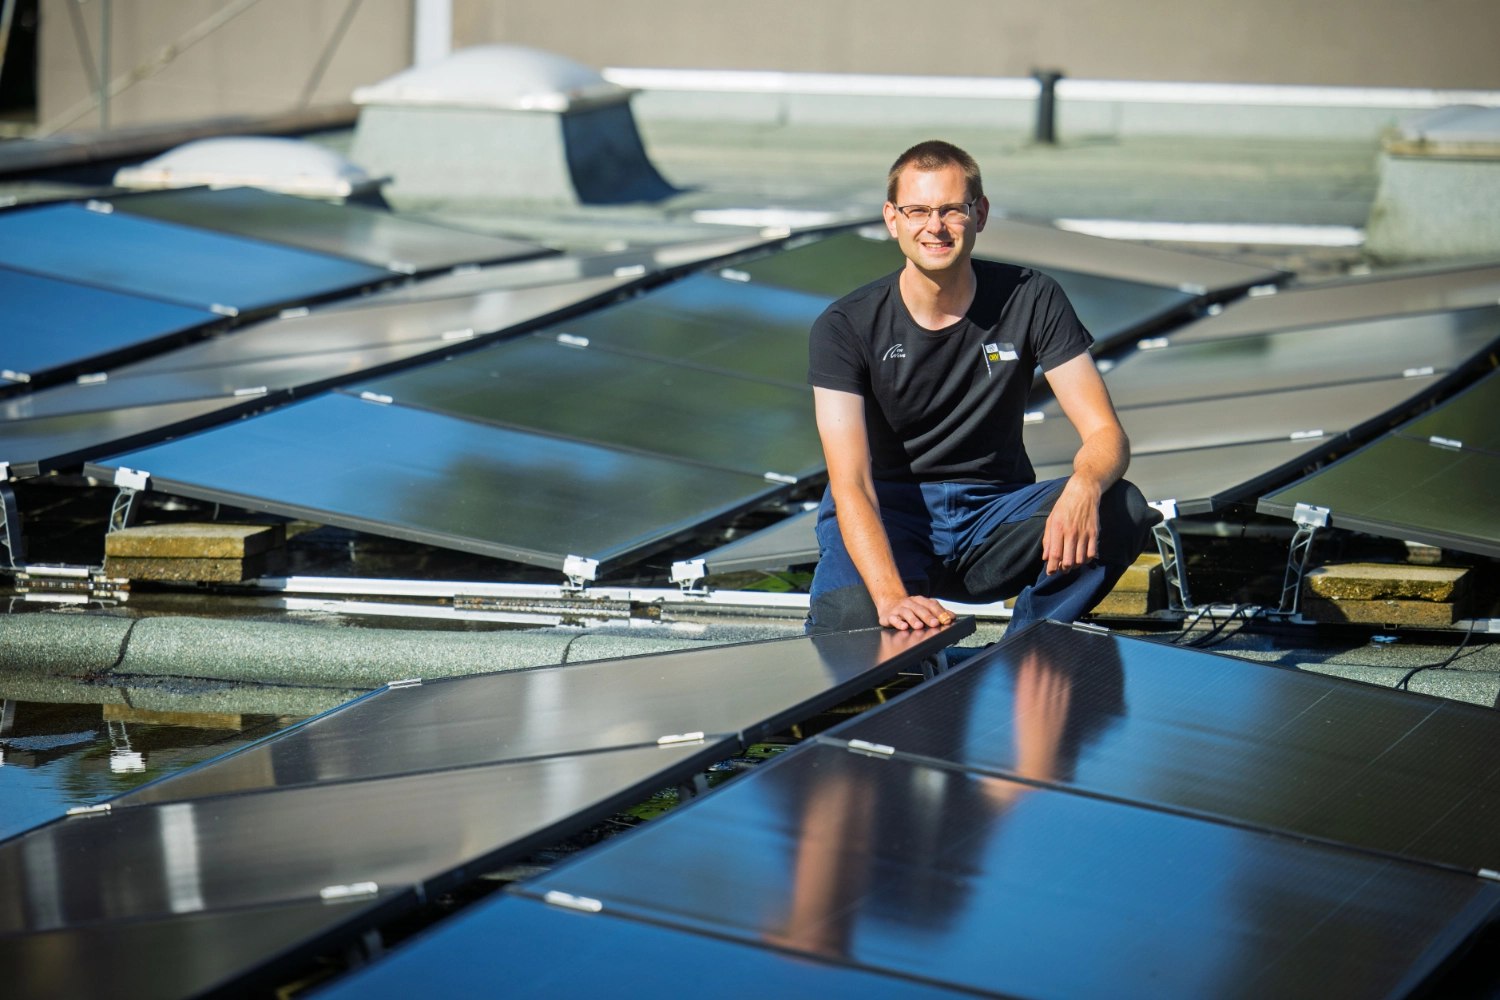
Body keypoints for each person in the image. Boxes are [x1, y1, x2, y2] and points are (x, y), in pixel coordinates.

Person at [806, 140, 1160, 634]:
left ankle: (1030, 645)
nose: (935, 226)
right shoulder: (846, 326)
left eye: (953, 210)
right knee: (852, 627)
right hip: (892, 515)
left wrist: (1084, 486)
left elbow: (1106, 434)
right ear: (892, 219)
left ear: (981, 213)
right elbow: (851, 484)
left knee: (1120, 506)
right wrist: (889, 598)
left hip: (994, 517)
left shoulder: (1033, 297)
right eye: (918, 211)